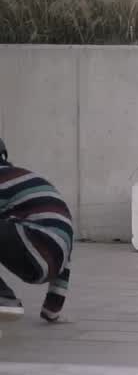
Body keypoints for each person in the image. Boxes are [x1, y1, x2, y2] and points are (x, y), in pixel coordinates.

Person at [0, 137, 72, 323]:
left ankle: (4, 297)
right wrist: (52, 310)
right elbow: (62, 246)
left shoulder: (3, 178)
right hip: (47, 261)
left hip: (34, 244)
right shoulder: (21, 180)